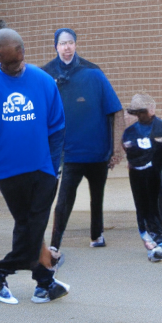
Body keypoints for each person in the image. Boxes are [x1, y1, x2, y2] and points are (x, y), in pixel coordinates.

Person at [0, 29, 69, 304]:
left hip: (42, 167)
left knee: (32, 224)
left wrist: (52, 164)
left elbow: (57, 128)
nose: (11, 66)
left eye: (15, 60)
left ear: (22, 52)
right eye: (4, 61)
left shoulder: (43, 81)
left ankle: (41, 281)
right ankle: (1, 271)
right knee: (28, 224)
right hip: (7, 169)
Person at [42, 28, 123, 250]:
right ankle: (55, 245)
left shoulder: (94, 73)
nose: (67, 47)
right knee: (64, 200)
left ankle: (97, 235)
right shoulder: (46, 75)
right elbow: (39, 116)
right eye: (62, 43)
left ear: (75, 45)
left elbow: (116, 111)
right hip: (70, 153)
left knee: (97, 197)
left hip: (98, 151)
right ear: (56, 46)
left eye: (70, 42)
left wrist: (116, 150)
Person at [121, 94, 162, 262]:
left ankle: (161, 241)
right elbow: (128, 149)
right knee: (142, 206)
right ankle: (149, 239)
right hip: (137, 172)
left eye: (143, 111)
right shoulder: (130, 132)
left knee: (155, 205)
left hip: (156, 172)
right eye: (137, 112)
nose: (141, 115)